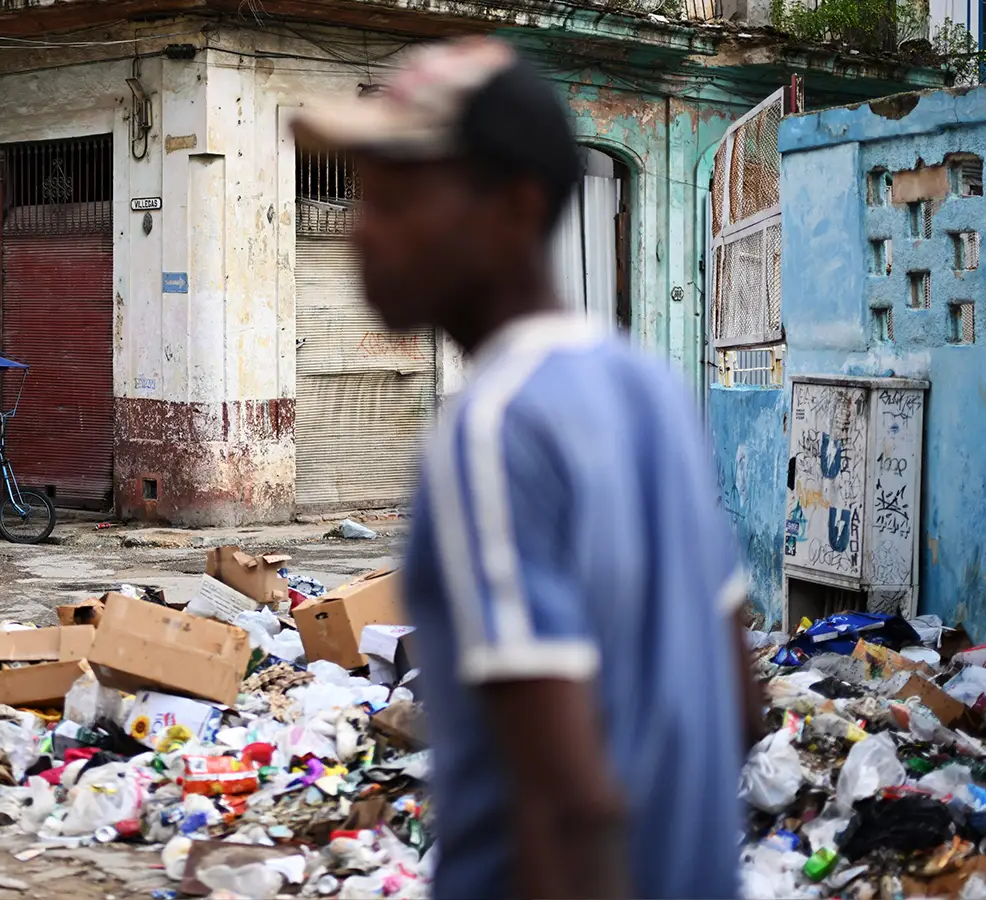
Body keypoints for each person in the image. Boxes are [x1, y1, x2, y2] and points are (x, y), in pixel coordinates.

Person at [292, 38, 765, 900]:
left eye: (397, 199)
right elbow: (738, 702)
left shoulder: (490, 430)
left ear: (512, 208)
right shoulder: (645, 386)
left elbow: (564, 802)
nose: (361, 229)